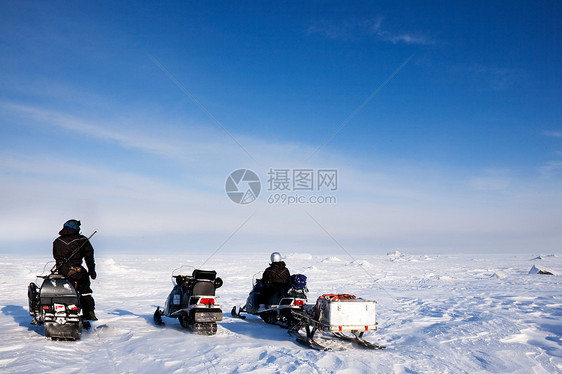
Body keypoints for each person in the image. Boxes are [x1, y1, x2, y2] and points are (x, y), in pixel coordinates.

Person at [53, 219, 97, 321]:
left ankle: (63, 312)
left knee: (64, 292)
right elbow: (89, 257)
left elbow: (57, 258)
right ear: (76, 228)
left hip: (62, 272)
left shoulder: (57, 241)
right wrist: (92, 271)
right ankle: (89, 315)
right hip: (78, 272)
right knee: (85, 292)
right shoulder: (82, 240)